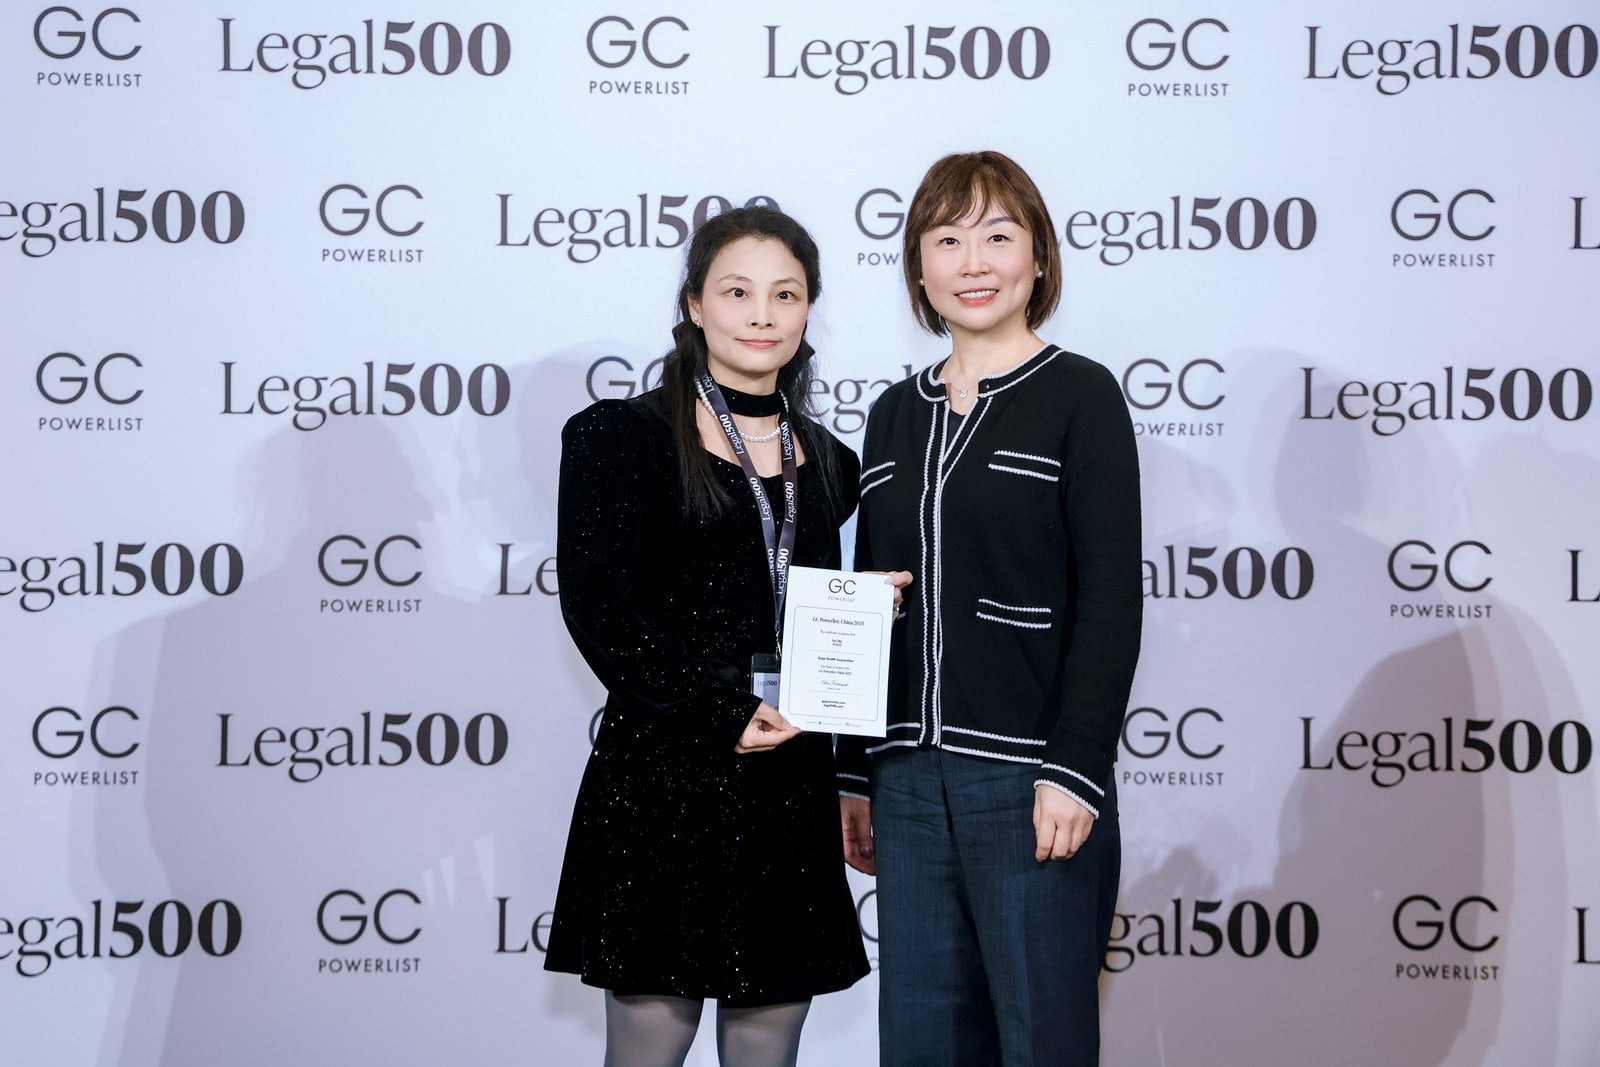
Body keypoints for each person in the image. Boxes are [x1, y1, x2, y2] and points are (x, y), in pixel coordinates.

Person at [837, 151, 1143, 1066]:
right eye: (948, 239)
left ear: (1038, 258)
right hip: (905, 780)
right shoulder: (892, 413)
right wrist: (854, 773)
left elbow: (1111, 597)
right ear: (918, 267)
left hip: (1028, 777)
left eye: (999, 237)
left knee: (1041, 1040)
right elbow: (866, 597)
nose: (974, 262)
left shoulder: (1080, 394)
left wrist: (1075, 768)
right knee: (920, 1041)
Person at [545, 206, 869, 1067]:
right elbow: (600, 610)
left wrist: (875, 613)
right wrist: (716, 711)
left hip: (786, 784)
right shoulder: (623, 437)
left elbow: (816, 617)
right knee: (646, 1049)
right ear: (694, 304)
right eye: (737, 292)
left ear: (808, 310)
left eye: (785, 294)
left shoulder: (830, 463)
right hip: (666, 779)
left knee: (770, 1051)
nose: (762, 315)